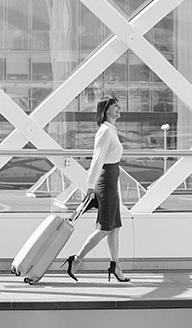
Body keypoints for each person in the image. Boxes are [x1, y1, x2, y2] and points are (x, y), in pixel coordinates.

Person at [61, 96, 130, 282]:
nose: (119, 108)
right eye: (115, 106)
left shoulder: (111, 130)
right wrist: (90, 186)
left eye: (118, 105)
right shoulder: (105, 131)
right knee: (106, 227)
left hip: (111, 179)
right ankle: (76, 260)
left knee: (115, 226)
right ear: (106, 110)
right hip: (105, 181)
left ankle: (115, 265)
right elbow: (98, 159)